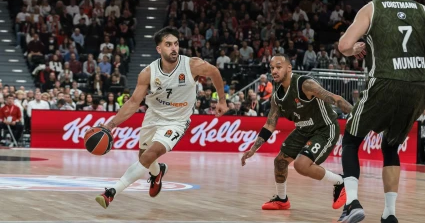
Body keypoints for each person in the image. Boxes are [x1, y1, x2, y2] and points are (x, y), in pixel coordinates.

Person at [95, 27, 228, 208]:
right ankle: (157, 173)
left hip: (178, 121)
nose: (174, 48)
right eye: (168, 45)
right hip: (154, 115)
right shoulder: (148, 73)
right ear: (159, 49)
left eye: (176, 44)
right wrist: (110, 125)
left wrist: (222, 100)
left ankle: (112, 192)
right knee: (144, 155)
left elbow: (215, 73)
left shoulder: (192, 65)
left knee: (150, 154)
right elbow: (134, 102)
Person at [337, 0, 425, 222]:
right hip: (418, 86)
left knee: (351, 141)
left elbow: (344, 46)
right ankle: (390, 213)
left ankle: (352, 203)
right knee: (390, 147)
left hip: (385, 81)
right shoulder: (422, 10)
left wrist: (354, 48)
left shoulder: (372, 8)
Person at [241, 54, 353, 211]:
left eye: (278, 67)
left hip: (325, 129)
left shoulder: (305, 84)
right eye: (272, 68)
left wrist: (357, 115)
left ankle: (341, 181)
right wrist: (253, 149)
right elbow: (269, 125)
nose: (274, 71)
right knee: (279, 162)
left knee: (301, 165)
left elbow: (335, 98)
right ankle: (282, 199)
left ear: (289, 68)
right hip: (303, 130)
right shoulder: (276, 97)